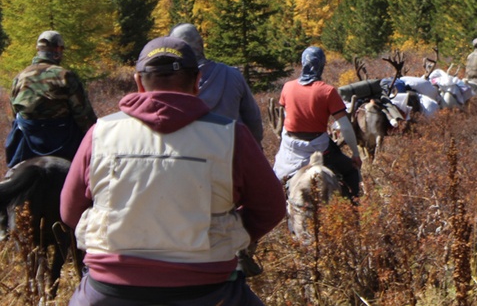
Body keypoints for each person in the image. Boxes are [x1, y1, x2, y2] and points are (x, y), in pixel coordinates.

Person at [60, 36, 286, 306]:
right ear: (197, 81)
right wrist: (232, 230)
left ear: (139, 82)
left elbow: (69, 211)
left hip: (109, 290)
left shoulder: (101, 133)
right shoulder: (231, 136)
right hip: (209, 289)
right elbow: (271, 207)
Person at [273, 46, 363, 199]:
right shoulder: (327, 91)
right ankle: (354, 207)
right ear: (322, 65)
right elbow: (345, 127)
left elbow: (286, 116)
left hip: (291, 147)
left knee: (274, 181)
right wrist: (355, 153)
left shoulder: (287, 87)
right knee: (351, 172)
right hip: (318, 147)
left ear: (302, 63)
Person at [5, 30, 97, 168]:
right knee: (87, 170)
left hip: (28, 142)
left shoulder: (20, 77)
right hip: (63, 140)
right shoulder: (65, 76)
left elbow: (15, 112)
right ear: (58, 49)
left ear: (38, 50)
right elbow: (83, 114)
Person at [169, 23, 264, 144]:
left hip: (192, 157)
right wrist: (255, 148)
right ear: (201, 44)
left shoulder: (172, 83)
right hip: (231, 153)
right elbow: (253, 119)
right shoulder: (232, 75)